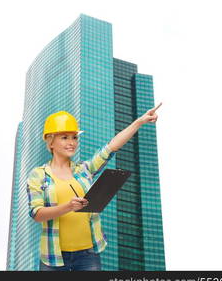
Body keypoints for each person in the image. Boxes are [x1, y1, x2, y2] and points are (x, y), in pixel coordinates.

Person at [26, 103, 161, 271]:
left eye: (74, 137)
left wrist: (139, 122)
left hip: (88, 255)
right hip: (54, 258)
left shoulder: (84, 170)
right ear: (51, 142)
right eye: (65, 137)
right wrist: (68, 206)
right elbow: (37, 214)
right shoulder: (38, 175)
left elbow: (111, 147)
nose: (72, 143)